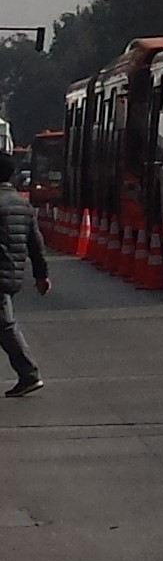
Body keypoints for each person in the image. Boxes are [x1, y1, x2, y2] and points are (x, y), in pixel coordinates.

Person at [0, 151, 48, 395]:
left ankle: (29, 373)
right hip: (13, 272)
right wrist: (41, 275)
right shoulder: (22, 204)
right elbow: (35, 244)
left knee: (5, 326)